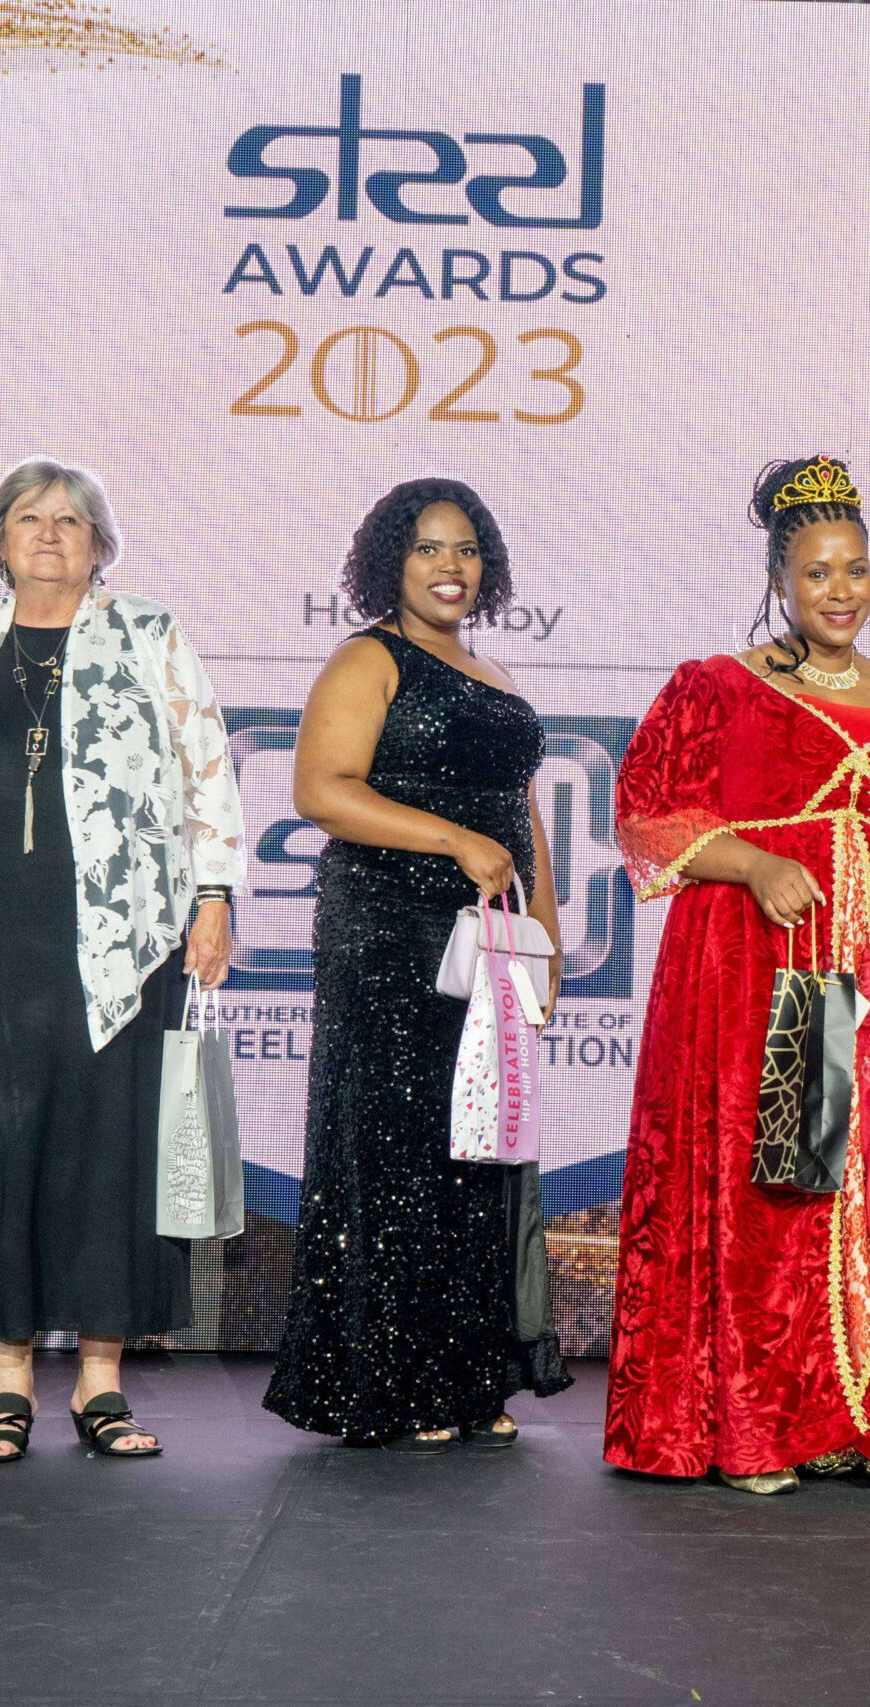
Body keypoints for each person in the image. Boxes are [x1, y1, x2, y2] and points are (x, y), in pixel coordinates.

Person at [606, 455, 870, 1495]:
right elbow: (647, 814)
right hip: (780, 974)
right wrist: (755, 863)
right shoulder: (721, 686)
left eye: (855, 569)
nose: (839, 590)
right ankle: (764, 1426)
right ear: (780, 578)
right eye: (816, 572)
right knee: (787, 1187)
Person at [0, 457, 244, 1465]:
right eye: (30, 517)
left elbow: (207, 766)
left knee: (111, 1152)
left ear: (101, 544)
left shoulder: (148, 634)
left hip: (121, 938)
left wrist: (214, 893)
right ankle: (6, 1387)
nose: (50, 533)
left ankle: (100, 1384)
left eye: (71, 520)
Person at [262, 478, 572, 1450]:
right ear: (390, 561)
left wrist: (548, 937)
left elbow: (521, 814)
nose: (450, 566)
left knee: (477, 1148)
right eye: (429, 547)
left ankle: (467, 1377)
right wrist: (451, 840)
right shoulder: (368, 658)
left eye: (467, 548)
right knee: (396, 1151)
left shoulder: (493, 672)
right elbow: (321, 789)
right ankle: (393, 1382)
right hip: (389, 936)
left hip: (490, 939)